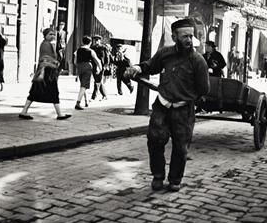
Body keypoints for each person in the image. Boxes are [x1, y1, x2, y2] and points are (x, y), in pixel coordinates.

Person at [125, 18, 210, 192]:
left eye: (191, 36)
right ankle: (157, 176)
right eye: (184, 36)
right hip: (162, 107)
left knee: (180, 148)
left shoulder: (198, 60)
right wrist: (137, 68)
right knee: (154, 141)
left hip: (183, 110)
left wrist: (187, 96)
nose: (188, 40)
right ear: (174, 36)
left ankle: (175, 180)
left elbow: (204, 88)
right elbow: (150, 66)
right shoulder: (165, 54)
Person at [19, 28, 71, 120]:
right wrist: (56, 63)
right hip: (46, 72)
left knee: (35, 92)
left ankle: (24, 111)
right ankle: (59, 114)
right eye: (50, 34)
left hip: (45, 72)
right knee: (53, 91)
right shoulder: (46, 45)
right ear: (45, 35)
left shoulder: (49, 44)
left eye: (54, 34)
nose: (53, 36)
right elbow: (45, 58)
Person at [74, 36, 102, 110]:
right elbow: (97, 60)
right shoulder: (91, 51)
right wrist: (100, 68)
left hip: (79, 66)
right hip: (87, 67)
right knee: (84, 85)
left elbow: (75, 61)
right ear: (90, 43)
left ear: (82, 42)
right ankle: (78, 103)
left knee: (83, 85)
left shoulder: (78, 50)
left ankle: (86, 102)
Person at [90, 35, 109, 101]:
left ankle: (94, 96)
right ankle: (105, 95)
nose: (96, 41)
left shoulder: (103, 48)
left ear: (100, 40)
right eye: (95, 40)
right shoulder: (92, 48)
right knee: (98, 81)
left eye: (98, 40)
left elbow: (107, 58)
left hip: (101, 66)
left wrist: (106, 66)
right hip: (94, 66)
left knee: (97, 81)